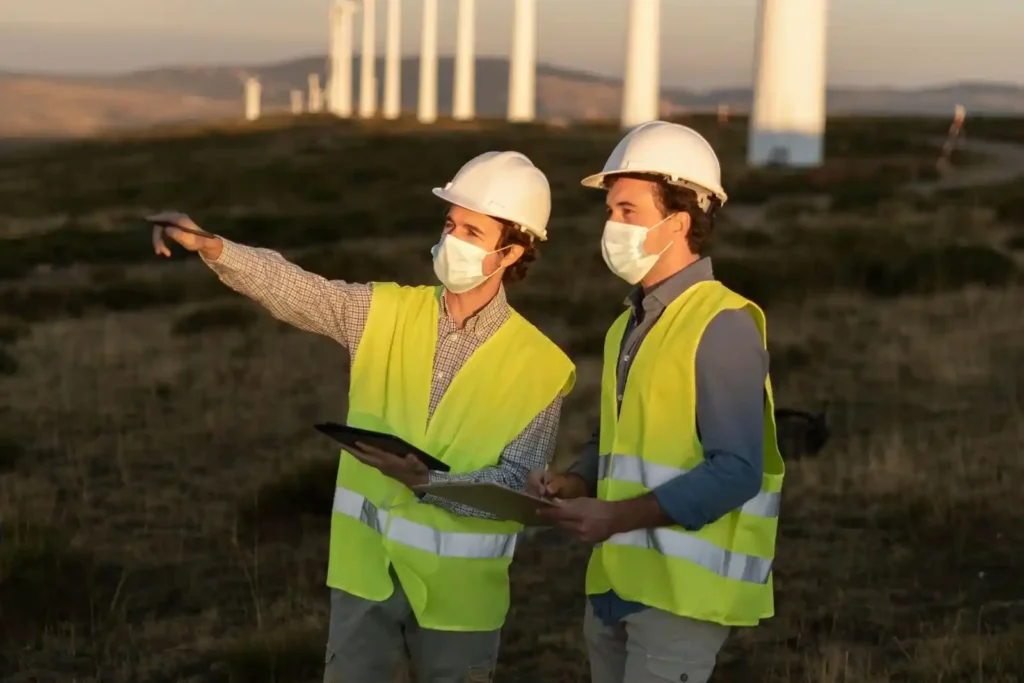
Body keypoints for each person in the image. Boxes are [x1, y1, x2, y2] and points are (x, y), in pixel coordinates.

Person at [149, 150, 576, 683]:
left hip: (460, 605)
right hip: (366, 581)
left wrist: (431, 481)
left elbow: (519, 487)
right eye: (450, 224)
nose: (453, 241)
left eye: (472, 231)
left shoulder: (541, 366)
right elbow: (300, 292)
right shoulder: (384, 310)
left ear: (511, 252)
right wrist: (213, 247)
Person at [529, 121, 784, 683]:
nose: (611, 226)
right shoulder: (628, 323)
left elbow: (738, 471)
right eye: (610, 211)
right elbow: (624, 440)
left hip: (680, 599)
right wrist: (576, 480)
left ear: (680, 222)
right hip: (617, 585)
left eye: (627, 211)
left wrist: (615, 516)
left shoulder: (723, 325)